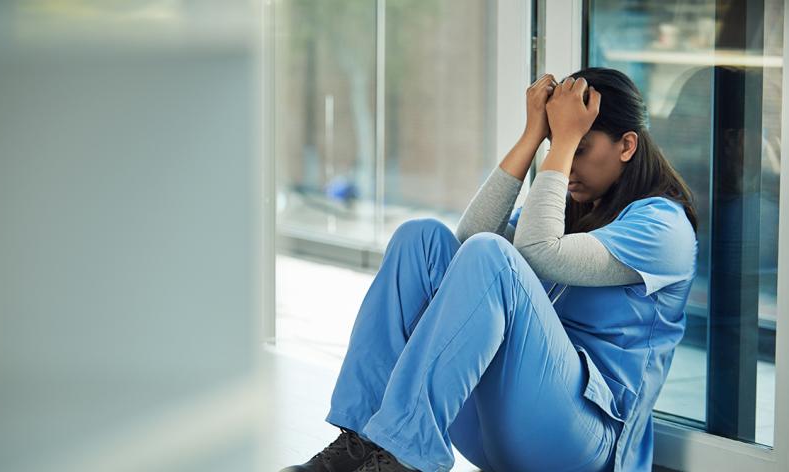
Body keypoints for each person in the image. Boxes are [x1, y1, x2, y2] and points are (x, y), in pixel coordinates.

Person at [280, 67, 699, 472]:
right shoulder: (568, 208)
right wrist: (532, 136)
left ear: (627, 146)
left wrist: (562, 141)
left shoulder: (665, 227)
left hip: (582, 442)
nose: (565, 164)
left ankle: (403, 459)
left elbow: (533, 253)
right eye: (559, 147)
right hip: (498, 425)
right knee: (421, 239)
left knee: (494, 256)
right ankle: (361, 442)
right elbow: (464, 249)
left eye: (578, 148)